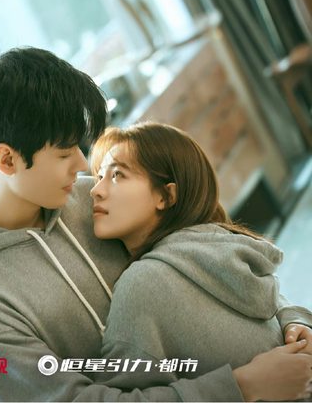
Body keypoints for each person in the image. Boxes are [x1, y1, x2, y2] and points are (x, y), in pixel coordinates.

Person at [0, 47, 312, 401]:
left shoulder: (93, 198)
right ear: (7, 160)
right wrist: (240, 387)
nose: (83, 165)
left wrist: (291, 320)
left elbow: (213, 260)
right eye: (64, 153)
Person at [90, 122, 312, 400]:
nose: (95, 190)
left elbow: (273, 304)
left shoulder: (146, 281)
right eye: (99, 176)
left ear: (166, 195)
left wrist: (296, 323)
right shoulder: (211, 244)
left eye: (117, 175)